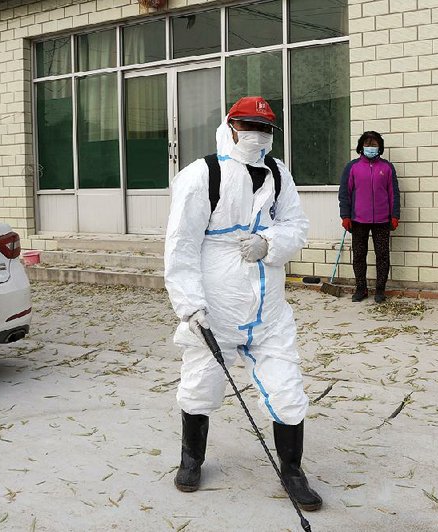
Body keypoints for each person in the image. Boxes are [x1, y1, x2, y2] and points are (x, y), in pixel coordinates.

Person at [163, 96, 322, 511]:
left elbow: (297, 226)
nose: (258, 135)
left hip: (269, 312)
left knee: (287, 392)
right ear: (231, 126)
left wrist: (269, 243)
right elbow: (180, 247)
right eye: (250, 125)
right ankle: (191, 459)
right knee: (200, 387)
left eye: (265, 128)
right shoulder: (201, 175)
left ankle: (292, 471)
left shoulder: (277, 172)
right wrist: (191, 307)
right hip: (216, 311)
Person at [338, 131, 400, 303]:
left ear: (380, 147)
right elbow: (345, 193)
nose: (371, 147)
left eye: (374, 145)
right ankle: (361, 289)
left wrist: (394, 215)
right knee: (359, 255)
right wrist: (345, 215)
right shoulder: (352, 167)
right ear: (361, 147)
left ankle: (380, 290)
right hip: (358, 220)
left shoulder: (387, 167)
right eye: (368, 144)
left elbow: (394, 192)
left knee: (382, 256)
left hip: (382, 220)